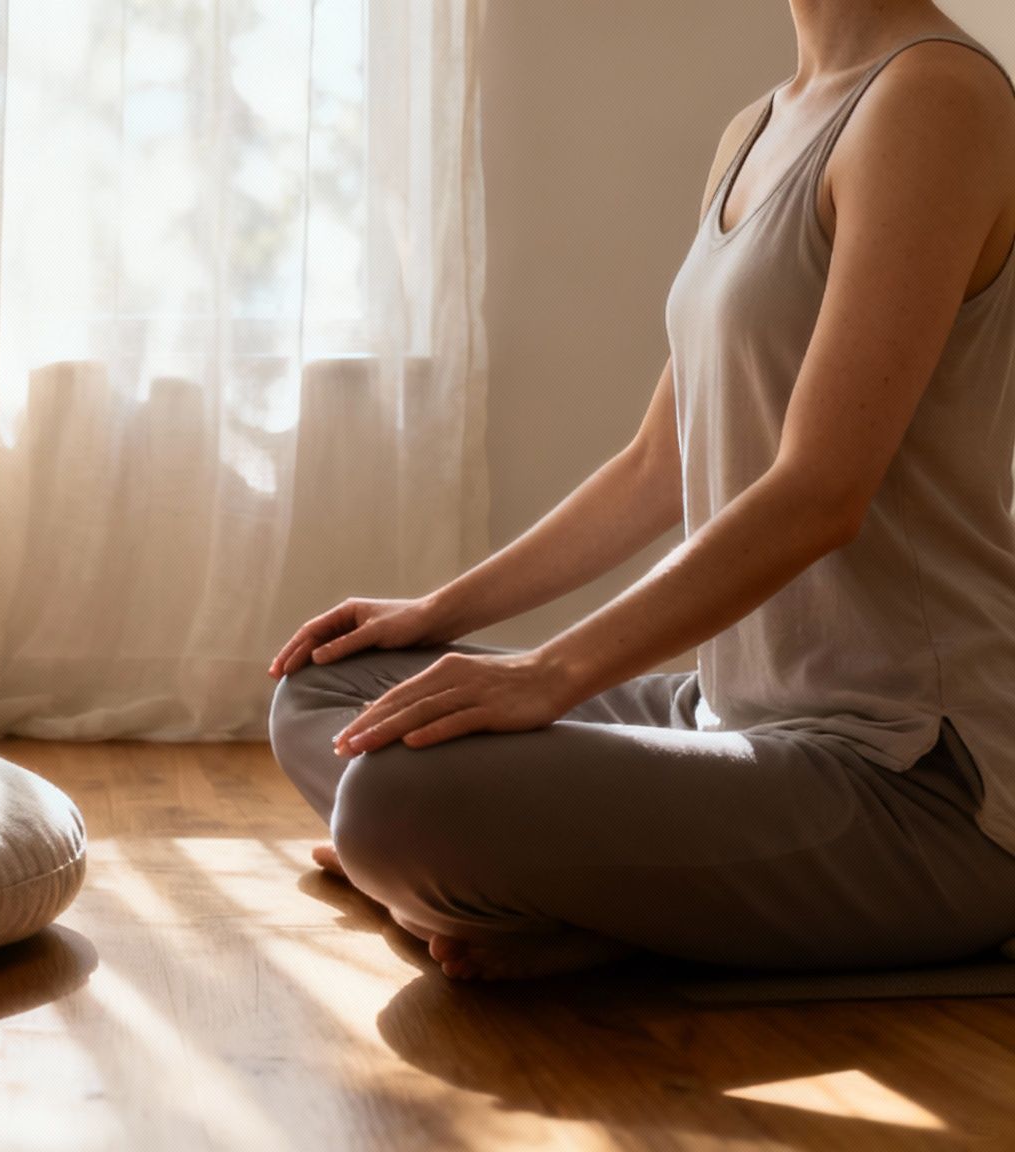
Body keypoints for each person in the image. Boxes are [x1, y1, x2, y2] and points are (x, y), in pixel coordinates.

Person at [268, 0, 1015, 982]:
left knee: (396, 801)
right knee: (328, 684)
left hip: (912, 779)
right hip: (731, 716)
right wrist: (435, 612)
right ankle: (544, 899)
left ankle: (523, 896)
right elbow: (654, 466)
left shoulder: (936, 98)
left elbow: (818, 494)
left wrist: (547, 675)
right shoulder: (754, 128)